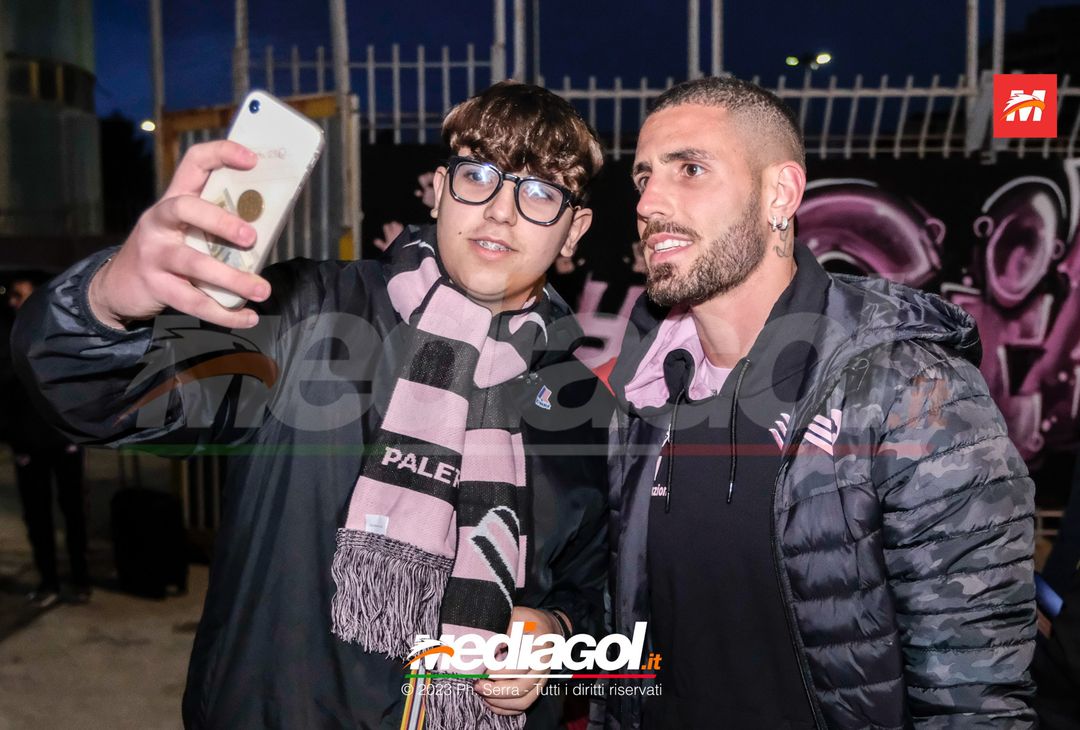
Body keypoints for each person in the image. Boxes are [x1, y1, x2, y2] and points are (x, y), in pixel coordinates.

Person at [13, 81, 613, 729]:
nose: (500, 210)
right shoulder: (308, 313)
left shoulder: (581, 406)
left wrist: (552, 634)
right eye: (479, 175)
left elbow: (595, 590)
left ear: (574, 229)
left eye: (540, 192)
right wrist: (109, 303)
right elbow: (92, 395)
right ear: (438, 189)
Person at [601, 76, 1037, 728]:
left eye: (689, 169)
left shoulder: (910, 390)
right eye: (642, 178)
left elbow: (974, 699)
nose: (650, 202)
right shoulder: (641, 394)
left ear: (780, 194)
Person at [1, 275, 90, 608]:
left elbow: (79, 383)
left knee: (73, 511)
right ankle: (48, 581)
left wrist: (77, 430)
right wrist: (12, 438)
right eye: (11, 295)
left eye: (19, 294)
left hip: (63, 440)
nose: (12, 301)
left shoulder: (61, 330)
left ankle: (80, 579)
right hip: (27, 443)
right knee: (37, 517)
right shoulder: (8, 335)